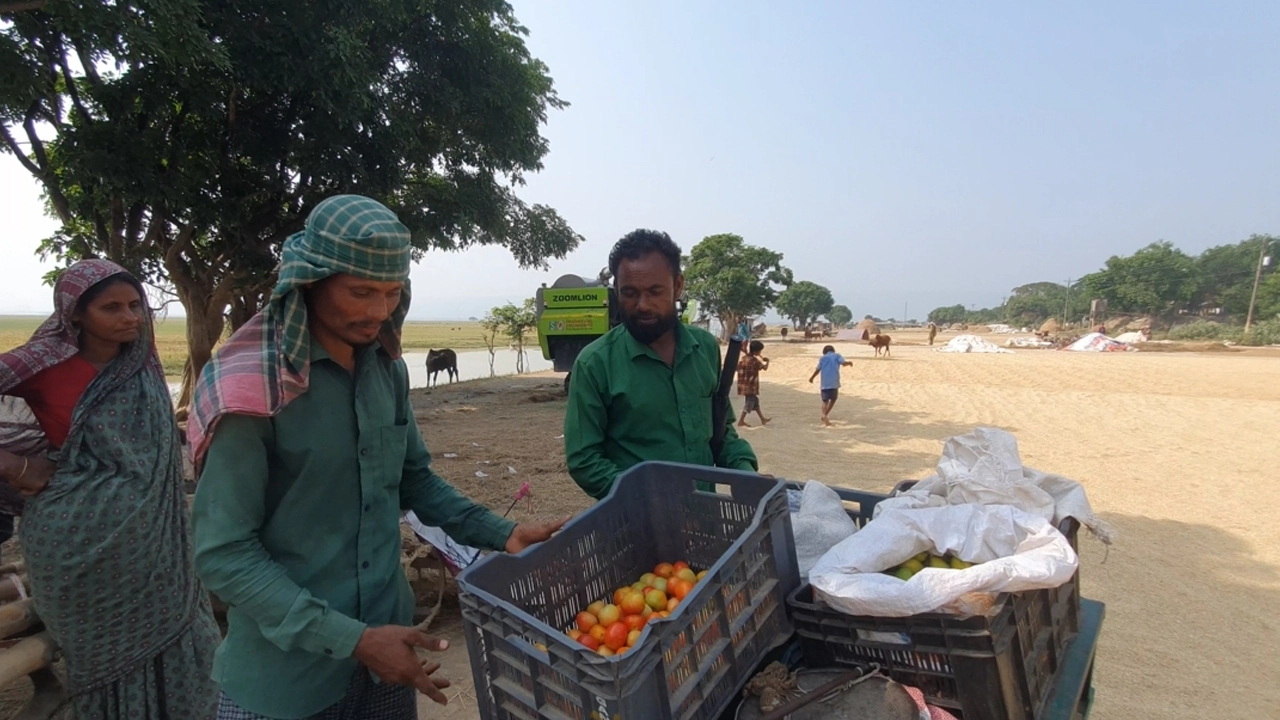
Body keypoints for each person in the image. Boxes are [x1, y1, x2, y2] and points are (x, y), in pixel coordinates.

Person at [189, 195, 565, 720]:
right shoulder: (255, 388)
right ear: (312, 281)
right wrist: (354, 639)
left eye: (391, 293)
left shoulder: (386, 372)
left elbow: (414, 482)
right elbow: (224, 553)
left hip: (390, 657)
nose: (377, 312)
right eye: (360, 292)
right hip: (286, 681)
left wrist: (501, 533)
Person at [0, 259, 219, 719]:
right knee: (105, 665)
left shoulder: (140, 364)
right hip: (77, 547)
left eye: (135, 304)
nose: (130, 317)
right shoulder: (45, 363)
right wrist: (17, 465)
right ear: (74, 314)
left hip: (156, 545)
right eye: (111, 308)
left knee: (187, 638)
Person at [564, 229, 759, 500]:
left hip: (706, 515)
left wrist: (747, 474)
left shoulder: (705, 348)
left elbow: (721, 432)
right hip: (634, 526)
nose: (642, 305)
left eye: (655, 291)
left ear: (678, 286)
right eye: (629, 293)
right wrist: (653, 503)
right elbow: (584, 461)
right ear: (617, 291)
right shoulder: (594, 364)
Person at [808, 344, 852, 426]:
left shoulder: (822, 358)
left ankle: (824, 415)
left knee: (825, 401)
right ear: (833, 350)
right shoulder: (837, 355)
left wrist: (812, 377)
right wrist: (849, 363)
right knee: (833, 399)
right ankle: (825, 415)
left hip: (824, 382)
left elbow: (817, 370)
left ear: (824, 351)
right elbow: (843, 363)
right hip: (834, 381)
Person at [736, 340, 770, 427]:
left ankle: (762, 419)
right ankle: (741, 421)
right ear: (756, 352)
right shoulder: (755, 361)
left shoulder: (744, 359)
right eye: (759, 351)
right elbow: (764, 368)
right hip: (751, 386)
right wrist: (767, 361)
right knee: (749, 403)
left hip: (743, 385)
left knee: (755, 401)